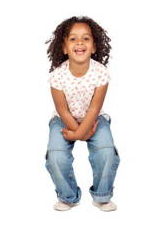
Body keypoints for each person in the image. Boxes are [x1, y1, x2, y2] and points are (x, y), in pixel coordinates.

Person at [44, 16, 120, 211]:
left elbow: (94, 108)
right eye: (73, 39)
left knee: (106, 150)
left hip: (94, 119)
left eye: (86, 38)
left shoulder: (100, 73)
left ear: (94, 47)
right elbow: (62, 109)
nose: (79, 42)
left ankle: (102, 195)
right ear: (64, 47)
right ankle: (68, 196)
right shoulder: (57, 76)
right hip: (63, 119)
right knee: (56, 156)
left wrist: (80, 134)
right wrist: (77, 130)